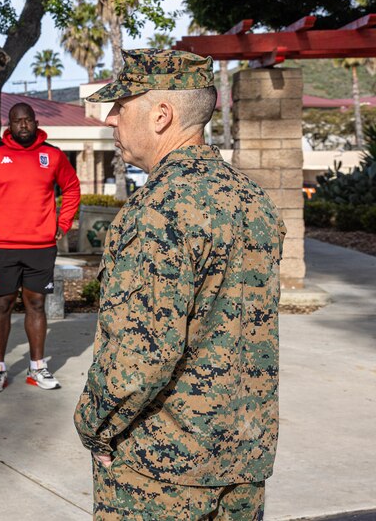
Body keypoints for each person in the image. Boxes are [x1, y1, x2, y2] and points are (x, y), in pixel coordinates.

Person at [74, 49, 284, 518]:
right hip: (244, 458)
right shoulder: (253, 200)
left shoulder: (157, 210)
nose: (111, 119)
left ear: (162, 115)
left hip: (161, 467)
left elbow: (140, 355)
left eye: (122, 107)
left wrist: (95, 425)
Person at [0, 102, 80, 392]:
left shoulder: (51, 155)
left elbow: (72, 188)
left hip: (40, 246)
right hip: (2, 246)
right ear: (10, 124)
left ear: (36, 121)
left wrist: (62, 224)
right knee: (1, 304)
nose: (24, 125)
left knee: (36, 304)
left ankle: (37, 367)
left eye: (28, 120)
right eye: (18, 121)